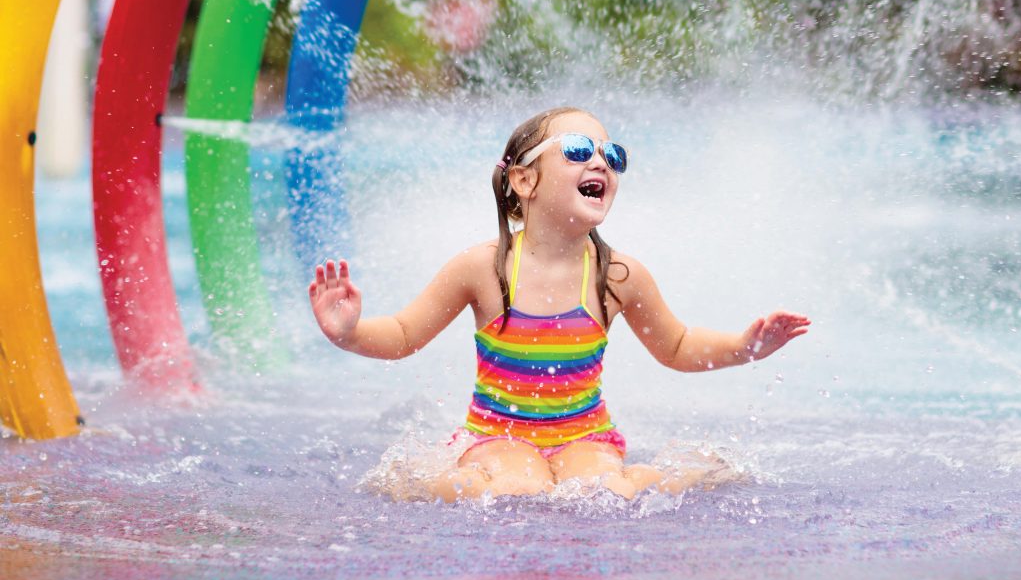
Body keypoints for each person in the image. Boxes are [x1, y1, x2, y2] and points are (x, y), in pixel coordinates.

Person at [309, 106, 810, 502]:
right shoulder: (483, 269)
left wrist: (746, 346)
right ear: (525, 181)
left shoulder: (618, 276)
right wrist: (348, 333)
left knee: (603, 492)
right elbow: (402, 335)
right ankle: (421, 481)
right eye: (576, 149)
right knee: (518, 490)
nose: (599, 162)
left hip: (585, 435)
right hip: (499, 434)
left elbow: (677, 346)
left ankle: (663, 477)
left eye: (612, 156)